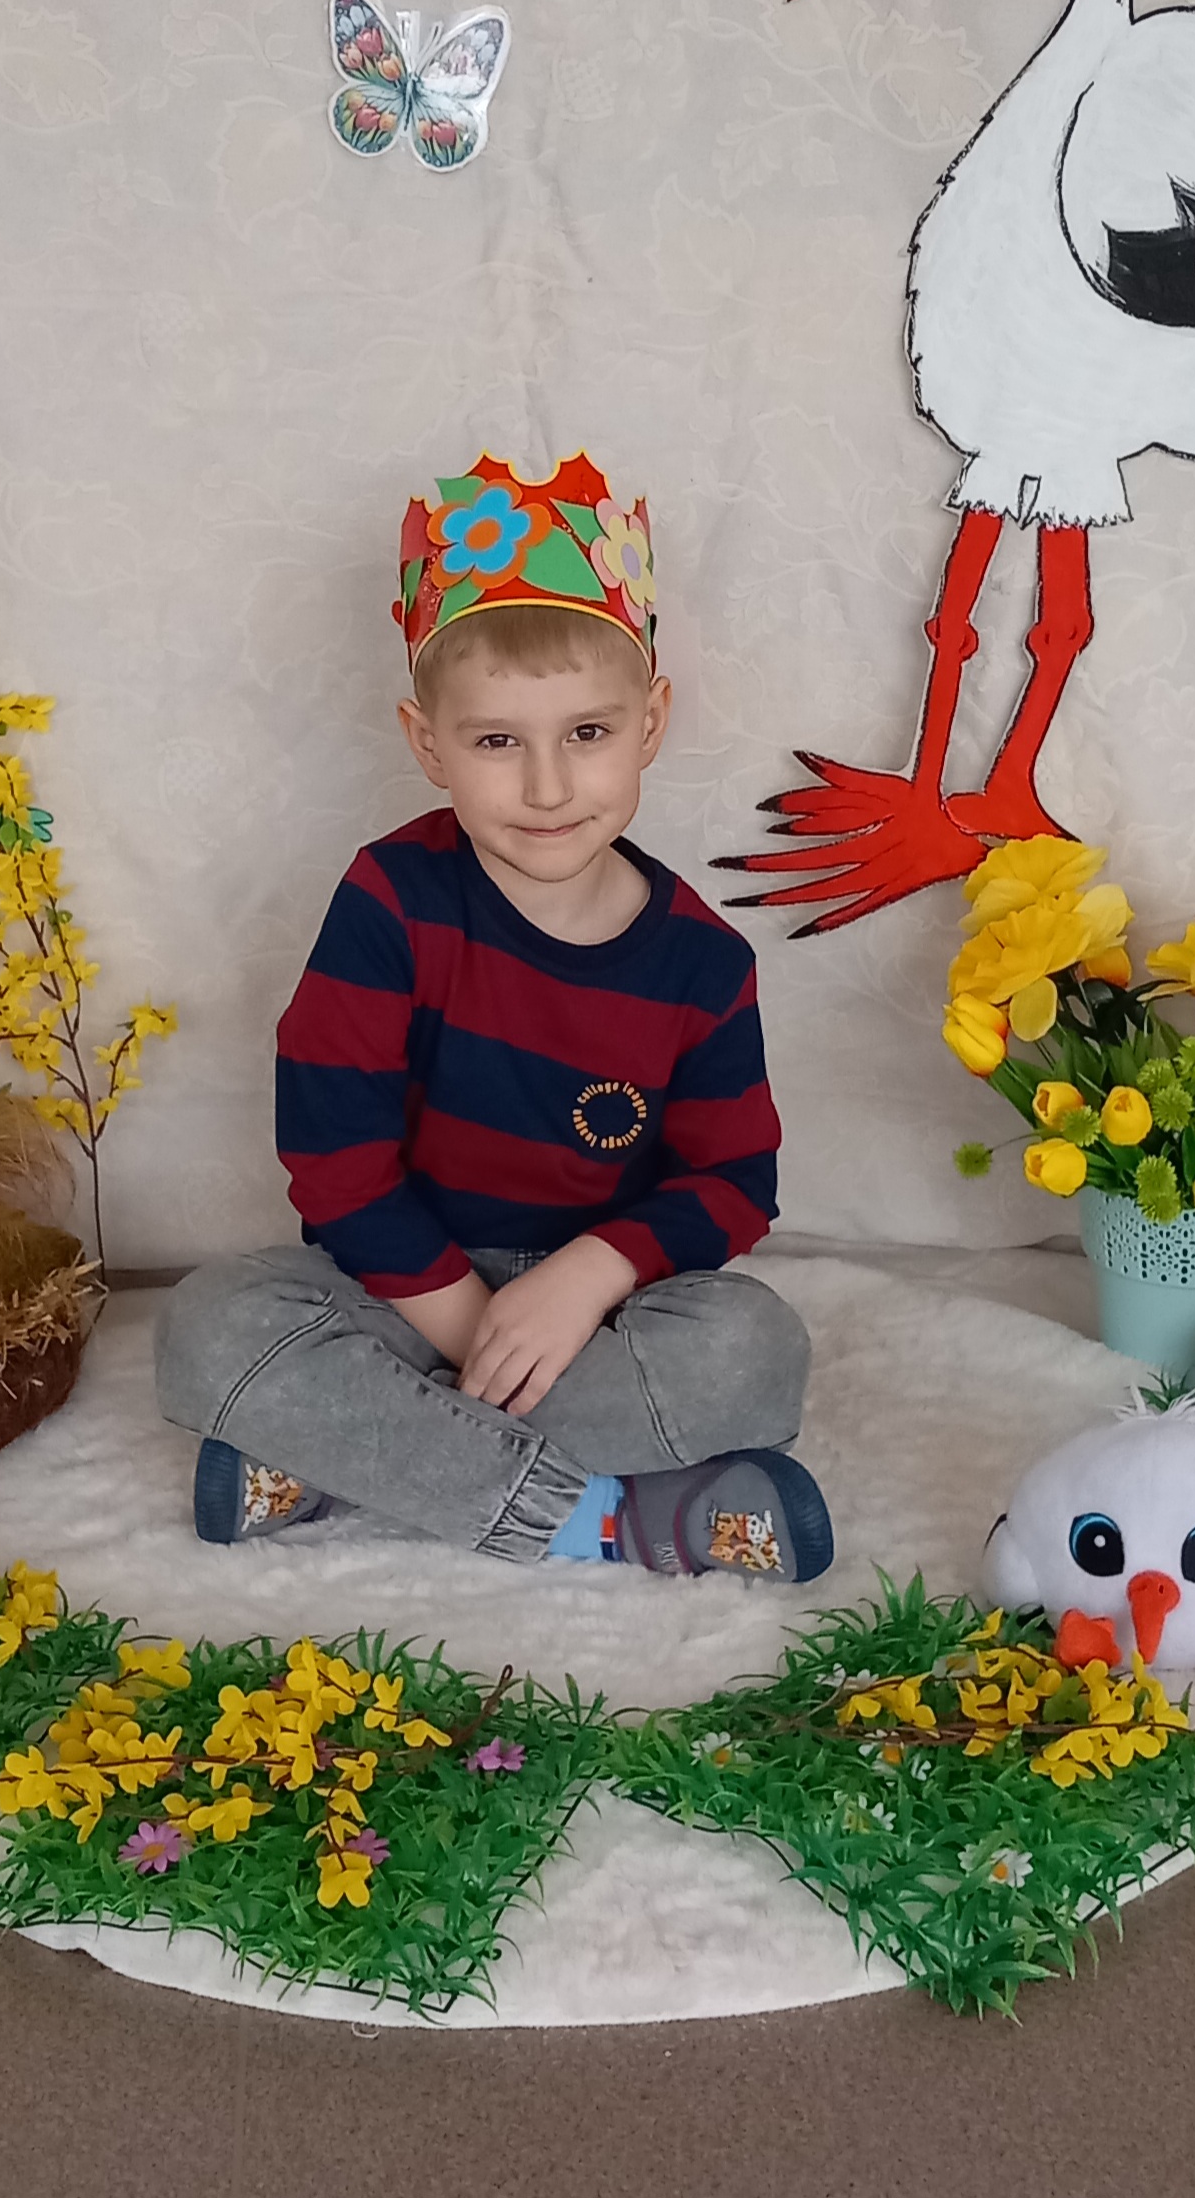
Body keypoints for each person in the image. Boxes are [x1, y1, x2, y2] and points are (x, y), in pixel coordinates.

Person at [157, 450, 831, 1582]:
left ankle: (346, 1461)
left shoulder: (702, 962)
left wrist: (590, 1274)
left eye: (588, 733)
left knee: (755, 1350)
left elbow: (733, 1181)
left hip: (599, 1315)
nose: (548, 787)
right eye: (496, 741)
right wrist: (478, 1335)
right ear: (429, 744)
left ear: (651, 722)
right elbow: (335, 1160)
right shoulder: (390, 899)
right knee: (207, 1324)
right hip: (401, 1287)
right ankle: (611, 1518)